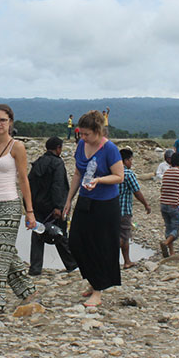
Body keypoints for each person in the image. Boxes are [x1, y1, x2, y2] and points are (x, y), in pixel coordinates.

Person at [0, 104, 37, 315]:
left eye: (3, 120)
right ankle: (28, 292)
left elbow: (23, 179)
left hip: (10, 205)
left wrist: (29, 211)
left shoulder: (17, 147)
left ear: (10, 122)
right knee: (5, 252)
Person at [63, 110, 124, 308]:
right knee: (76, 242)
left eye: (87, 134)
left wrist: (99, 180)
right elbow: (78, 174)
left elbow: (119, 176)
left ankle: (97, 290)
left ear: (98, 131)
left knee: (100, 246)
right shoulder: (81, 145)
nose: (83, 137)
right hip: (85, 200)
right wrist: (69, 199)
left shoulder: (110, 149)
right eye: (81, 133)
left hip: (106, 204)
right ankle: (93, 279)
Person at [27, 136, 78, 276]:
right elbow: (58, 186)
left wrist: (28, 206)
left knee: (38, 235)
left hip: (37, 205)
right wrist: (59, 207)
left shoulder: (38, 163)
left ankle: (35, 268)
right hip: (53, 206)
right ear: (58, 148)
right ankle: (72, 264)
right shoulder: (57, 163)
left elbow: (30, 184)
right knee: (60, 234)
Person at [119, 148, 151, 268]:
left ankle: (110, 258)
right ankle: (127, 261)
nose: (131, 162)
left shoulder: (111, 171)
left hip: (111, 209)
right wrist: (146, 204)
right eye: (131, 160)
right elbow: (137, 192)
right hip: (124, 210)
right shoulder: (128, 174)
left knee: (115, 234)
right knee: (124, 236)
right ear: (126, 160)